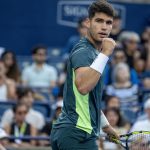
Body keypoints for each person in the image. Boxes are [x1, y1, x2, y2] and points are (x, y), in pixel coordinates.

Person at [51, 1, 119, 150]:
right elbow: (83, 87)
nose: (104, 27)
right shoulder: (84, 51)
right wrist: (106, 53)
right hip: (77, 134)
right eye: (99, 21)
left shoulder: (93, 54)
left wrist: (106, 127)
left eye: (109, 23)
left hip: (70, 131)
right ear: (88, 23)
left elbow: (88, 100)